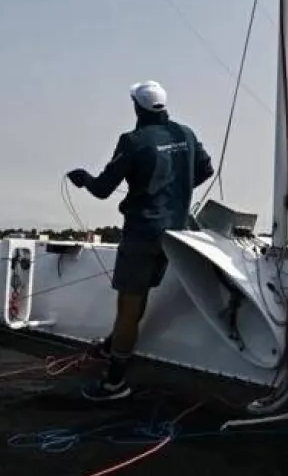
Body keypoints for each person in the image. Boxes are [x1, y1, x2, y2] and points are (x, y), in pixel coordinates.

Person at [65, 80, 214, 402]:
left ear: (136, 106)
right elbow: (205, 169)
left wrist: (83, 179)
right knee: (139, 298)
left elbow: (103, 188)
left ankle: (114, 382)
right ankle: (111, 347)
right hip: (176, 233)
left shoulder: (133, 141)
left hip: (143, 232)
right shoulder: (185, 134)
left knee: (128, 305)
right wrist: (175, 190)